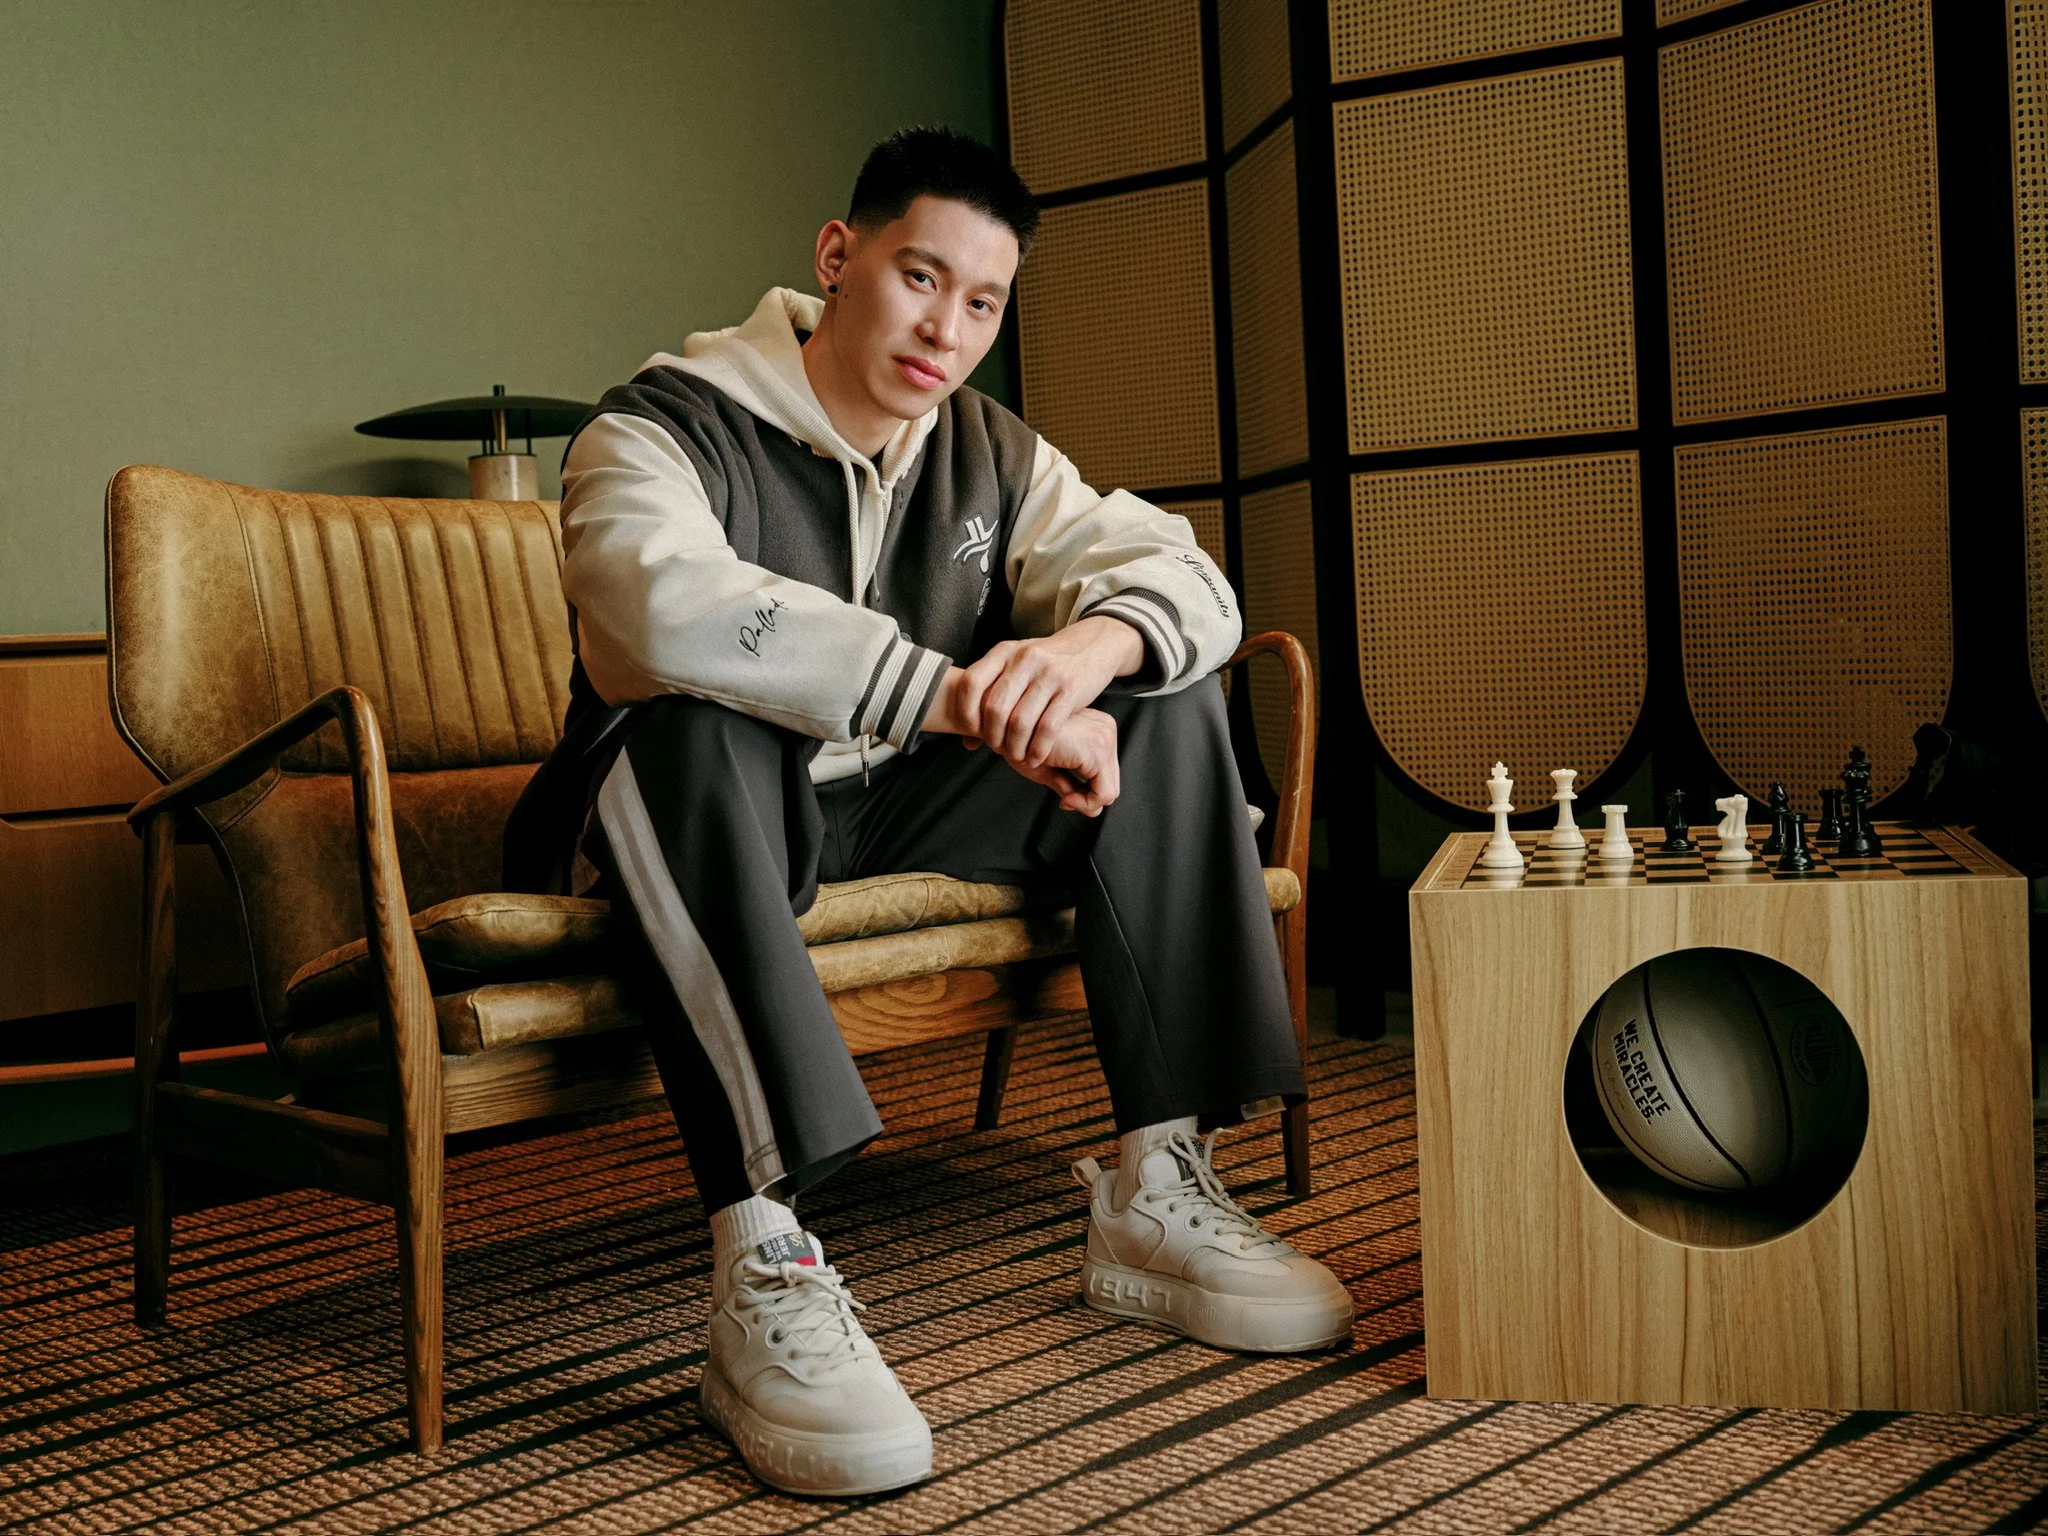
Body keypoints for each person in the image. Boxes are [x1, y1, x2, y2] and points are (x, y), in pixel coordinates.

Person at [510, 126, 1352, 1498]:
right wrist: (963, 695)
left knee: (1166, 687)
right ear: (839, 261)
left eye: (982, 301)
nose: (946, 328)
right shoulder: (656, 427)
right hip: (679, 824)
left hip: (885, 809)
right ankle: (762, 1250)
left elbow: (1180, 573)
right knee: (685, 720)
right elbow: (662, 611)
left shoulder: (989, 453)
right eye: (919, 278)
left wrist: (1090, 654)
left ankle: (1158, 1182)